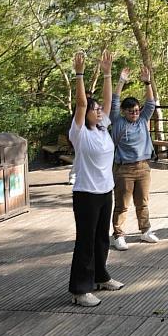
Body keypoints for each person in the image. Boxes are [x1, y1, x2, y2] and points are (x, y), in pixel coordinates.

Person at [68, 50, 124, 307]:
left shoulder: (102, 128)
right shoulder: (79, 133)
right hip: (86, 193)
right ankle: (80, 290)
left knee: (102, 237)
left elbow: (109, 99)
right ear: (85, 114)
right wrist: (79, 74)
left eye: (100, 109)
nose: (99, 110)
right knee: (86, 240)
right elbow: (82, 103)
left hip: (105, 191)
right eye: (95, 109)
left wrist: (107, 73)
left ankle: (101, 277)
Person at [109, 65, 159, 251]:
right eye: (131, 111)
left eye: (137, 110)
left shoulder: (143, 120)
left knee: (143, 202)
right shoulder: (118, 121)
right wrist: (121, 81)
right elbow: (114, 101)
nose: (135, 113)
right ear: (124, 112)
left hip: (143, 167)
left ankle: (145, 230)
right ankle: (118, 234)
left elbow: (151, 103)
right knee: (122, 204)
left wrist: (147, 82)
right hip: (124, 169)